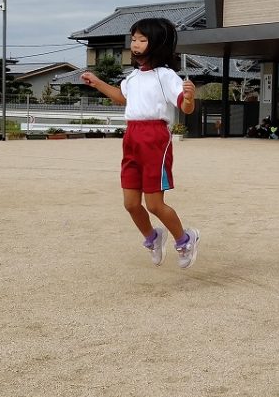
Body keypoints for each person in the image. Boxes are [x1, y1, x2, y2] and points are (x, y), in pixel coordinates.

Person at [81, 17, 201, 269]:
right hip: (132, 137)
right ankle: (153, 237)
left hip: (155, 138)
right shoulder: (133, 77)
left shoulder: (165, 76)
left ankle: (185, 239)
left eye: (142, 40)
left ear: (156, 44)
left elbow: (185, 106)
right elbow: (121, 97)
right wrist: (98, 82)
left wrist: (190, 98)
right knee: (131, 204)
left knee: (154, 205)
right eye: (133, 39)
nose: (135, 44)